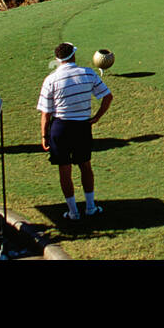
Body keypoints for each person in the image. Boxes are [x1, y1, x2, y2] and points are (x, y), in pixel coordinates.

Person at [37, 43, 112, 222]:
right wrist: (96, 118)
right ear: (73, 55)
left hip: (60, 128)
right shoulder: (88, 74)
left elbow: (46, 114)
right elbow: (107, 97)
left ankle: (73, 212)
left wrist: (44, 136)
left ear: (58, 59)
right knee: (85, 166)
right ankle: (91, 207)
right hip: (82, 127)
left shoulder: (51, 80)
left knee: (65, 170)